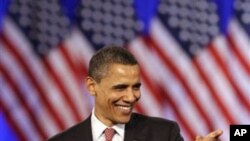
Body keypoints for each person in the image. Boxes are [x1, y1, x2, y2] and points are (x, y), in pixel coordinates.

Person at [48, 45, 223, 141]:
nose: (131, 97)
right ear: (92, 86)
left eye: (136, 87)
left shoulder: (164, 134)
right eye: (120, 88)